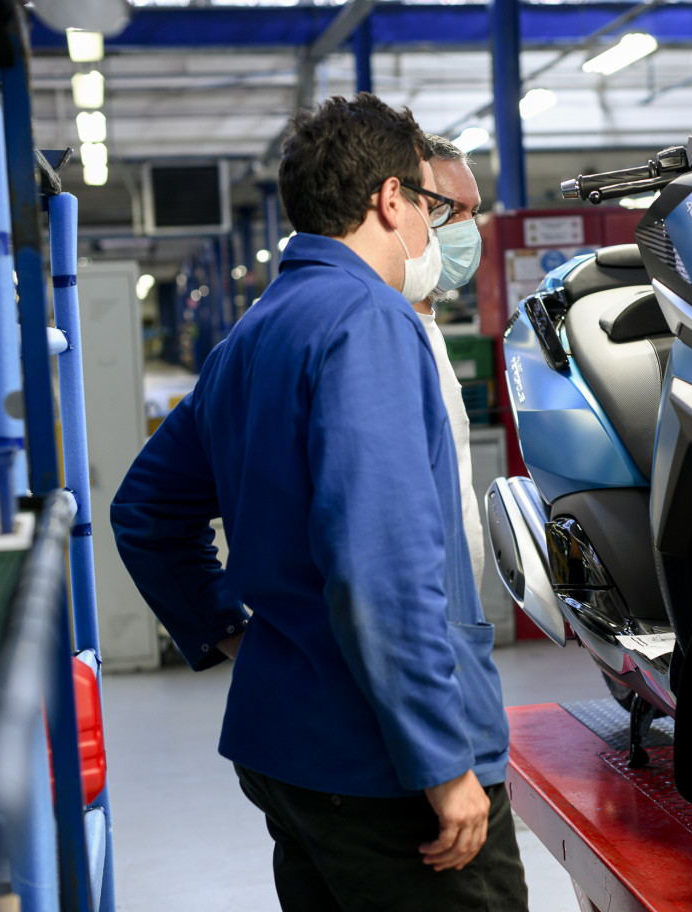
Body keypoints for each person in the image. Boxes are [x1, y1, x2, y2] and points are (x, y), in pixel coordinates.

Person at [110, 94, 528, 912]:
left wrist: (227, 627)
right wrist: (443, 763)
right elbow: (381, 565)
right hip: (384, 766)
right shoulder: (368, 321)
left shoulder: (253, 335)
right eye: (431, 204)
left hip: (288, 753)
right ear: (391, 199)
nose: (437, 228)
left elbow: (147, 510)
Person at [413, 134, 485, 589]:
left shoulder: (423, 328)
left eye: (472, 212)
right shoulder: (372, 338)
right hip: (419, 641)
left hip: (450, 631)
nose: (467, 228)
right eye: (450, 210)